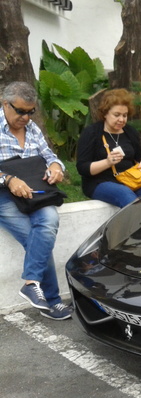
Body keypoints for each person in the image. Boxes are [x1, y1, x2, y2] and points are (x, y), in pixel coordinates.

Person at [0, 81, 72, 320]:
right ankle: (51, 300)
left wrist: (55, 166)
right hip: (3, 194)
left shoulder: (32, 129)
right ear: (5, 103)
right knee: (37, 238)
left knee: (47, 223)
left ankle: (32, 284)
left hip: (36, 191)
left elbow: (50, 154)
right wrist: (8, 179)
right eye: (20, 111)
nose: (26, 117)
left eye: (30, 112)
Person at [76, 88, 141, 208]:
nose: (121, 119)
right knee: (125, 195)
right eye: (116, 115)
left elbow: (139, 156)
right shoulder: (92, 133)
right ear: (105, 114)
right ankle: (139, 226)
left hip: (130, 179)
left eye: (125, 115)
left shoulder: (130, 132)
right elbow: (82, 168)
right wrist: (107, 162)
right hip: (100, 182)